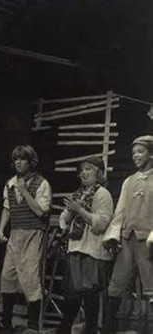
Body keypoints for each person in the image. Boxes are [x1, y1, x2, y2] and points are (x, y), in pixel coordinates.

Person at [0, 145, 52, 332]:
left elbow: (41, 212)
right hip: (16, 233)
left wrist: (25, 191)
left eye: (23, 159)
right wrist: (2, 230)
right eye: (16, 159)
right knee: (7, 276)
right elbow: (7, 208)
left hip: (34, 233)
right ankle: (7, 323)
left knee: (30, 278)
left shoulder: (41, 183)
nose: (18, 162)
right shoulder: (10, 183)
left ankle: (33, 326)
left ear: (31, 162)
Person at [102, 135, 153, 333]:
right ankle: (108, 330)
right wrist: (114, 236)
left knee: (151, 286)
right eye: (133, 153)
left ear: (151, 153)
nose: (136, 156)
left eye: (140, 151)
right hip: (127, 239)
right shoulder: (128, 181)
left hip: (148, 242)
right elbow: (120, 211)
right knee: (116, 287)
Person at [57, 157, 114, 334]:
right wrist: (70, 213)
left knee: (89, 294)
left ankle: (90, 330)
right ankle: (64, 329)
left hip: (92, 250)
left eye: (88, 169)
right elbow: (62, 219)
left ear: (99, 173)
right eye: (82, 170)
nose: (83, 173)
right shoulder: (78, 194)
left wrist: (80, 210)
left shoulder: (102, 194)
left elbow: (101, 223)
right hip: (75, 247)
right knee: (72, 294)